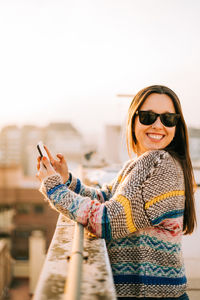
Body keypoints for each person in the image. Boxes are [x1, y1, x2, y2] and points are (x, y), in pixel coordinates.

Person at [36, 85, 196, 299]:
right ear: (133, 119)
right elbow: (105, 197)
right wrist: (67, 181)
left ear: (177, 125)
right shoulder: (141, 163)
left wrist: (55, 189)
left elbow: (106, 221)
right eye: (148, 116)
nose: (158, 125)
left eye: (168, 119)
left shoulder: (159, 163)